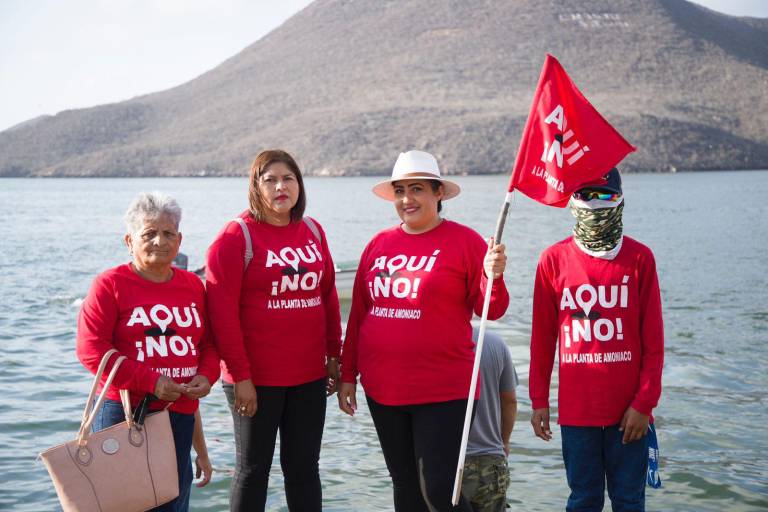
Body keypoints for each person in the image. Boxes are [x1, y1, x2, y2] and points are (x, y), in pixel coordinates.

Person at [338, 150, 509, 512]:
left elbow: (491, 308)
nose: (406, 199)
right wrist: (348, 374)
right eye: (400, 190)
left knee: (439, 492)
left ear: (438, 194)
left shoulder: (466, 242)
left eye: (416, 189)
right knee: (405, 487)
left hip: (444, 389)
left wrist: (494, 275)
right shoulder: (378, 245)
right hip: (384, 389)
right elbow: (359, 316)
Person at [206, 149, 342, 512]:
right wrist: (240, 377)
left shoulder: (313, 230)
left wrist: (334, 355)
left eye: (289, 178)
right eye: (270, 180)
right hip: (255, 379)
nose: (281, 187)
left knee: (303, 469)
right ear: (256, 186)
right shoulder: (235, 237)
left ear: (299, 184)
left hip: (308, 376)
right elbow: (222, 315)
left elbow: (327, 295)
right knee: (253, 471)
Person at [528, 168, 664, 511]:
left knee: (629, 501)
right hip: (577, 414)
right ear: (572, 201)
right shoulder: (552, 260)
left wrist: (643, 405)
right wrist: (539, 399)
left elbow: (654, 344)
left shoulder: (640, 259)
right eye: (585, 195)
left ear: (618, 200)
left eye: (603, 196)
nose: (594, 204)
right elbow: (542, 341)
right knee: (584, 500)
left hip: (628, 415)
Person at [76, 191, 220, 512]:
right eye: (149, 233)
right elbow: (91, 349)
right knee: (127, 505)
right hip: (124, 416)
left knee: (173, 504)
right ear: (129, 240)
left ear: (180, 240)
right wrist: (150, 380)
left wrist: (207, 375)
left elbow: (208, 345)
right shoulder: (110, 284)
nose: (159, 241)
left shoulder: (193, 286)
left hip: (180, 414)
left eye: (168, 233)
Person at [462, 327, 518, 512]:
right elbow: (509, 400)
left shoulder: (435, 341)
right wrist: (505, 441)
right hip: (490, 458)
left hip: (447, 460)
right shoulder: (495, 342)